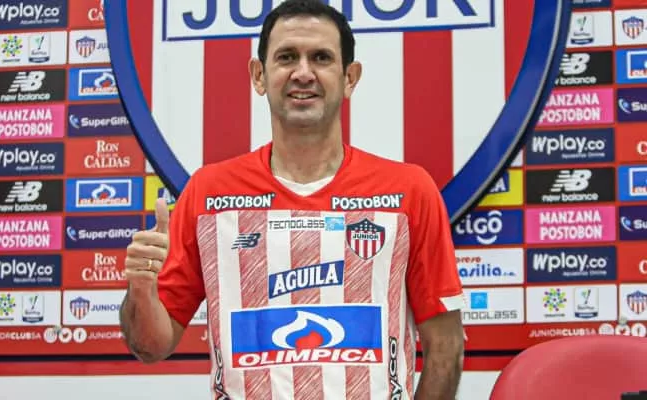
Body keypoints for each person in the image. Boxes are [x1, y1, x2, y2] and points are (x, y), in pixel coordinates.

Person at [120, 0, 466, 398]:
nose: (303, 73)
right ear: (259, 75)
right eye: (287, 57)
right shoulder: (208, 192)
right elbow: (150, 346)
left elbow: (446, 347)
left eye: (321, 58)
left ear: (349, 77)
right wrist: (141, 289)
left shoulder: (409, 191)